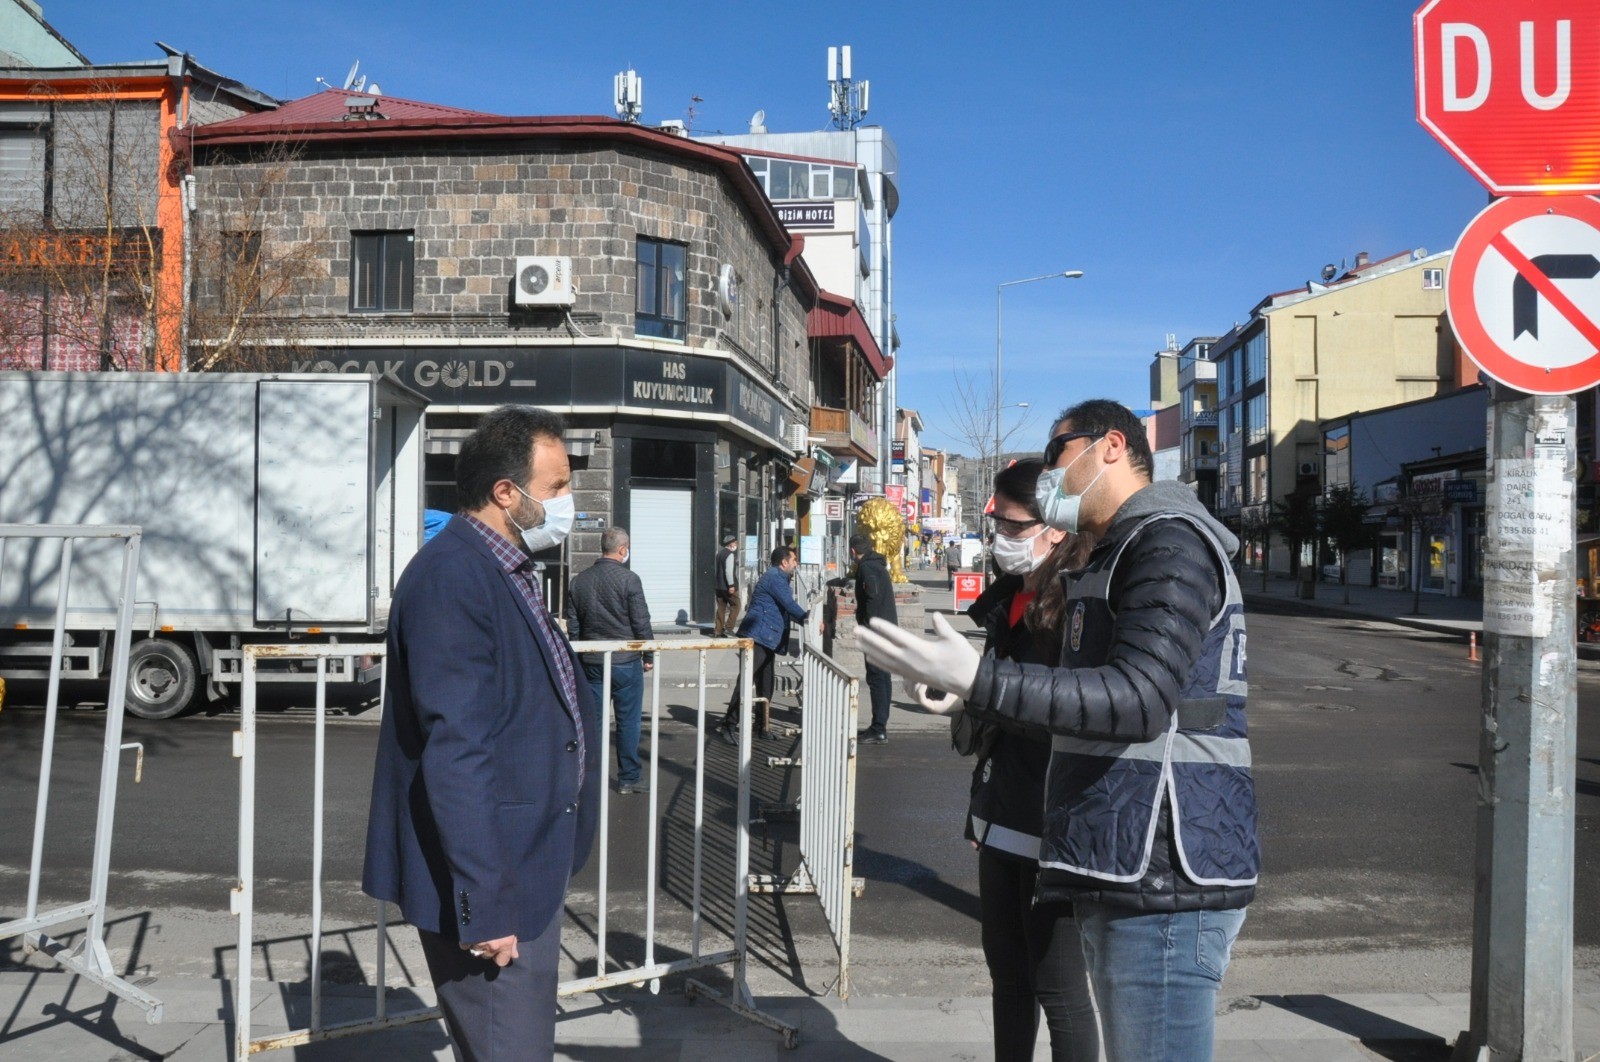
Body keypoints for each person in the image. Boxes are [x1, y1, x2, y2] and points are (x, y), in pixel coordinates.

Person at [859, 398, 1258, 1062]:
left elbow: (1139, 699)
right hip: (1125, 859)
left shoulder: (1167, 540)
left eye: (1055, 454)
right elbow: (1083, 701)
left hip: (1166, 873)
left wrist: (981, 681)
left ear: (1108, 447)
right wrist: (968, 698)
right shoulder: (1124, 548)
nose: (1048, 475)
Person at [363, 405, 599, 1062]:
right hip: (497, 886)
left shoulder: (505, 567)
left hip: (526, 866)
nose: (566, 503)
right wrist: (487, 905)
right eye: (555, 489)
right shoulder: (453, 577)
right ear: (506, 493)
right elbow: (457, 753)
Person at [917, 459, 1098, 1061]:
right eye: (994, 520)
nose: (999, 537)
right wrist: (980, 806)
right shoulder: (1009, 601)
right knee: (1008, 975)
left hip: (1055, 819)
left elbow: (1073, 715)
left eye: (1013, 526)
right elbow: (997, 717)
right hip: (1002, 814)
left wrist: (978, 690)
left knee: (1059, 986)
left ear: (1054, 529)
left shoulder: (1078, 604)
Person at [566, 526, 654, 795]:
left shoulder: (579, 581)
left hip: (592, 663)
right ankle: (628, 778)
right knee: (628, 722)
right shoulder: (630, 580)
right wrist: (648, 654)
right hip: (625, 661)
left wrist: (579, 657)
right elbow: (641, 621)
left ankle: (591, 779)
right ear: (622, 549)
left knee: (594, 723)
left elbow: (574, 626)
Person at [716, 545, 808, 744]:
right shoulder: (775, 577)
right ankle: (728, 725)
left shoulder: (779, 577)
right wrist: (807, 618)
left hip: (767, 638)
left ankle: (762, 726)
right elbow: (789, 605)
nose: (796, 564)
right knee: (746, 681)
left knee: (766, 684)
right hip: (757, 637)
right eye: (793, 560)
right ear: (784, 562)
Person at [849, 532, 897, 744]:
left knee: (877, 678)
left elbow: (873, 596)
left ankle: (879, 728)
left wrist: (866, 626)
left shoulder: (867, 568)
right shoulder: (877, 564)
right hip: (885, 629)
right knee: (883, 678)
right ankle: (880, 725)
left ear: (853, 551)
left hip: (877, 632)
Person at [712, 532, 741, 637]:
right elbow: (728, 571)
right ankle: (729, 628)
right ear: (730, 544)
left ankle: (718, 630)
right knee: (736, 605)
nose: (736, 545)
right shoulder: (730, 554)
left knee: (721, 608)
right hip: (728, 586)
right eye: (735, 542)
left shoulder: (719, 554)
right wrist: (731, 585)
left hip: (719, 586)